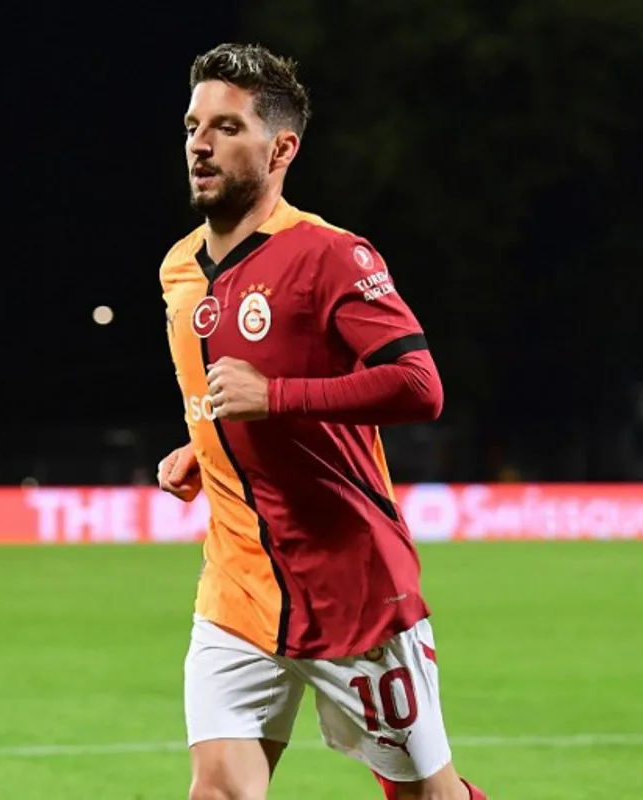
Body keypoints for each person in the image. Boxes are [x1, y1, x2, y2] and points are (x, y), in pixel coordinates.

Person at [156, 43, 487, 800]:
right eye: (192, 125)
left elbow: (418, 387)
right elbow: (230, 406)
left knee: (423, 796)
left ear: (281, 148)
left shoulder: (332, 255)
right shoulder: (178, 268)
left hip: (353, 592)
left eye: (227, 128)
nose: (200, 144)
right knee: (218, 793)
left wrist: (278, 398)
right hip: (237, 589)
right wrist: (204, 449)